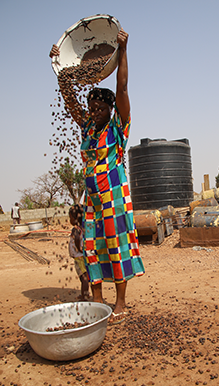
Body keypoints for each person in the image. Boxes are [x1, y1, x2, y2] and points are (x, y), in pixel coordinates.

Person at [50, 28, 145, 324]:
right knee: (92, 250)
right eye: (92, 108)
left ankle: (120, 303)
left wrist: (123, 51)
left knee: (116, 249)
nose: (95, 112)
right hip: (92, 203)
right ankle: (97, 302)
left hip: (114, 201)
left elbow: (123, 89)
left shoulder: (118, 131)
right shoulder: (88, 129)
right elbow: (69, 102)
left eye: (101, 107)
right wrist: (60, 71)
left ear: (110, 108)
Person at [68, 204, 90, 301]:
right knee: (84, 277)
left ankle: (84, 296)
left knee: (83, 277)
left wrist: (78, 248)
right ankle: (85, 294)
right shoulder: (83, 227)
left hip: (79, 257)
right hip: (82, 256)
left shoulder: (76, 229)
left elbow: (77, 238)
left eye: (70, 217)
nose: (70, 220)